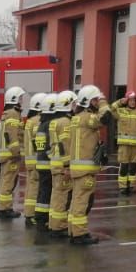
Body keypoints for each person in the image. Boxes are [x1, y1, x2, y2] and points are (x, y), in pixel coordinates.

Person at [65, 85, 113, 246]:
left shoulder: (76, 117)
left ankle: (74, 231)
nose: (97, 102)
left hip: (78, 168)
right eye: (95, 100)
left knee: (76, 201)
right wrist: (103, 101)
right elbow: (106, 118)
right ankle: (79, 234)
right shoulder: (87, 118)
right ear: (88, 101)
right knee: (82, 202)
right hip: (84, 169)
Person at [44, 89, 77, 241]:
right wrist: (67, 166)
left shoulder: (54, 122)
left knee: (56, 195)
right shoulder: (65, 123)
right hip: (62, 166)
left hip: (55, 164)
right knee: (62, 197)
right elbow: (65, 145)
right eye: (74, 104)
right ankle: (58, 227)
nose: (76, 106)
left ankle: (53, 224)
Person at [24, 93, 56, 229]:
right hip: (37, 159)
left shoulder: (30, 120)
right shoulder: (38, 121)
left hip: (30, 158)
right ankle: (32, 215)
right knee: (36, 189)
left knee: (31, 187)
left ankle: (30, 214)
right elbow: (39, 142)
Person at [0, 87, 26, 220]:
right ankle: (4, 209)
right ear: (15, 99)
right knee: (8, 182)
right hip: (11, 155)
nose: (22, 100)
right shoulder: (13, 114)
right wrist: (16, 152)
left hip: (6, 154)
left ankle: (5, 207)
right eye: (20, 98)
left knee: (6, 181)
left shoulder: (8, 113)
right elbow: (11, 135)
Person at [113, 89, 136, 195]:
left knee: (133, 167)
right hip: (124, 145)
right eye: (130, 100)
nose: (132, 102)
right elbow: (111, 109)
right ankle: (122, 187)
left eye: (134, 100)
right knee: (124, 166)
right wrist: (120, 102)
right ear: (127, 101)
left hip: (135, 145)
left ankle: (131, 185)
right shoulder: (121, 111)